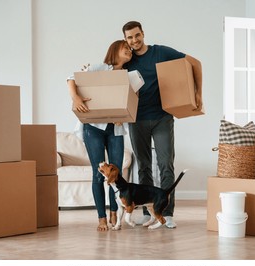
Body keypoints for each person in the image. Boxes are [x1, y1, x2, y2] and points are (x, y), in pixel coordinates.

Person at [122, 21, 203, 228]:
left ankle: (167, 213)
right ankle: (150, 213)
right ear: (126, 40)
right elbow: (108, 76)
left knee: (166, 164)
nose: (134, 40)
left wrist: (197, 93)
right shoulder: (126, 60)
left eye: (137, 35)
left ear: (143, 33)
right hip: (137, 120)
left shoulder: (160, 52)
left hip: (162, 118)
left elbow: (195, 63)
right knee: (143, 167)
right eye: (130, 37)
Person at [67, 40, 132, 231]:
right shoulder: (98, 68)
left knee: (116, 173)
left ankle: (114, 211)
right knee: (98, 174)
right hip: (93, 127)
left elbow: (130, 102)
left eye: (130, 49)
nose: (129, 50)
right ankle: (101, 217)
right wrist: (76, 98)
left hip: (116, 129)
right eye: (125, 47)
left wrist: (124, 114)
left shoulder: (128, 76)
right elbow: (70, 78)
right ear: (114, 50)